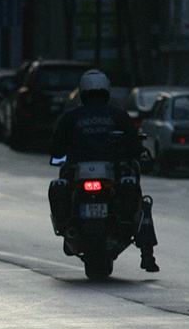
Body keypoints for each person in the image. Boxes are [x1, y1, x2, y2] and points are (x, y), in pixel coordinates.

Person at [49, 69, 160, 272]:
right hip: (112, 177)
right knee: (140, 198)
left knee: (61, 183)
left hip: (82, 177)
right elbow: (135, 146)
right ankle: (147, 253)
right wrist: (138, 153)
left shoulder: (71, 117)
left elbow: (56, 150)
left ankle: (66, 227)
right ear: (106, 91)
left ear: (82, 91)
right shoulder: (118, 115)